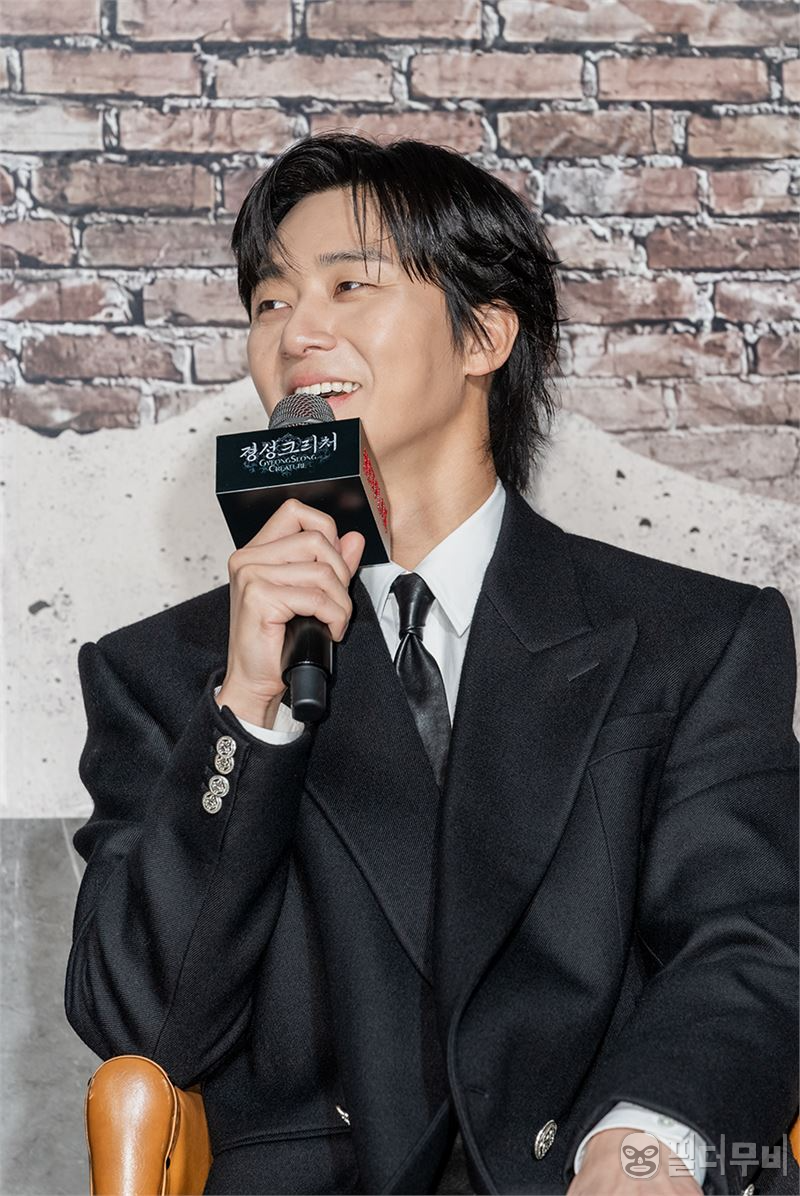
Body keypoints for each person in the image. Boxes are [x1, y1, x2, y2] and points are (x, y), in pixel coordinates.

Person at [65, 134, 799, 1196]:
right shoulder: (166, 672)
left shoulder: (691, 638)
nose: (296, 332)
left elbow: (748, 942)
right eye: (269, 302)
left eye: (348, 285)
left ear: (484, 334)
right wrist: (250, 709)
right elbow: (144, 1022)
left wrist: (647, 1141)